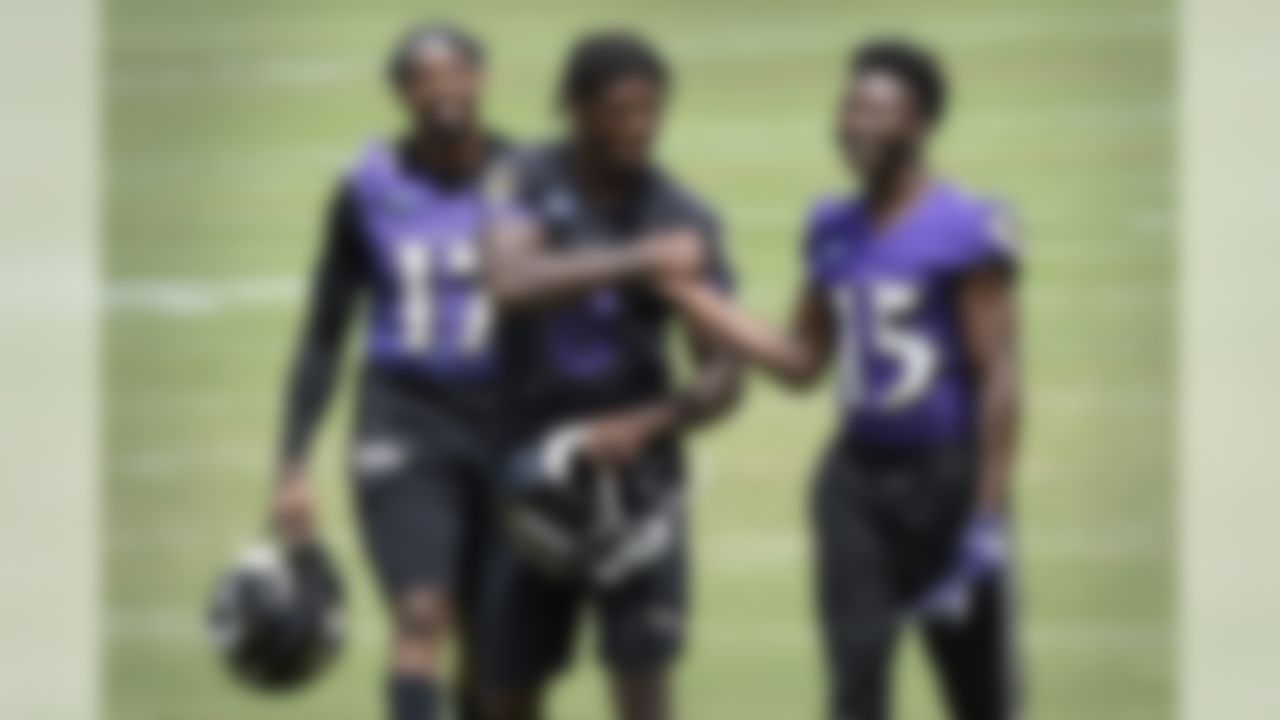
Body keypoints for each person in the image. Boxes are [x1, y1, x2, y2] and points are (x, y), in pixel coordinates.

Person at [659, 39, 1023, 719]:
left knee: (980, 697)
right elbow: (801, 361)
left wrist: (987, 513)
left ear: (919, 124)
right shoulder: (832, 226)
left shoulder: (967, 227)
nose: (856, 122)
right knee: (855, 688)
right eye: (850, 106)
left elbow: (998, 374)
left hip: (946, 477)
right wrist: (692, 296)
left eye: (876, 110)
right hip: (855, 481)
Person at [478, 31, 742, 720]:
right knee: (504, 692)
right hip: (529, 479)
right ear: (574, 107)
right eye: (621, 111)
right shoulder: (523, 177)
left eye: (652, 111)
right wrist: (638, 261)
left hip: (638, 494)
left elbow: (724, 376)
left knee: (645, 692)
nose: (640, 128)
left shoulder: (685, 214)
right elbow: (509, 280)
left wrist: (648, 423)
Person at [269, 22, 502, 720]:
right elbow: (323, 333)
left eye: (454, 72)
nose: (442, 91)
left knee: (491, 637)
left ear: (481, 78)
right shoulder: (367, 189)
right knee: (421, 611)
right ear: (403, 93)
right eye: (422, 78)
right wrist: (293, 463)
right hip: (402, 419)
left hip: (505, 420)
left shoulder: (532, 174)